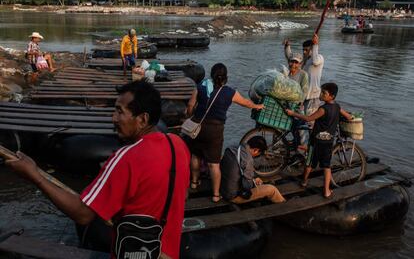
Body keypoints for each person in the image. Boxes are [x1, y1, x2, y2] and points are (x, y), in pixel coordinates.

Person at [6, 80, 190, 259]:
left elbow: (83, 214)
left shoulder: (126, 158)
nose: (113, 118)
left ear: (142, 119)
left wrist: (34, 175)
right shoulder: (178, 145)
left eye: (120, 111)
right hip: (167, 252)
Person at [186, 63, 264, 203]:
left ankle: (194, 182)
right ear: (225, 77)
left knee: (196, 155)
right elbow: (246, 102)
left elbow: (190, 106)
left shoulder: (201, 87)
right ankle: (216, 195)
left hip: (197, 128)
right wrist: (257, 106)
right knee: (214, 164)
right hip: (215, 130)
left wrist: (190, 116)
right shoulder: (229, 92)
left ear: (212, 74)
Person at [286, 83, 353, 198]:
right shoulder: (337, 107)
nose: (321, 94)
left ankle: (304, 182)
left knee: (310, 162)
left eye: (324, 93)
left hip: (316, 141)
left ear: (331, 96)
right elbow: (348, 116)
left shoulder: (323, 109)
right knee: (326, 166)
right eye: (321, 91)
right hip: (328, 143)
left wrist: (293, 113)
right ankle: (326, 191)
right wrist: (350, 117)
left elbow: (308, 118)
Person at [221, 136, 285, 204]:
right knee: (272, 190)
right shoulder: (248, 160)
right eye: (258, 154)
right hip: (233, 196)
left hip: (222, 189)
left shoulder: (231, 148)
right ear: (256, 150)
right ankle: (284, 204)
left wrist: (253, 177)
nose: (256, 156)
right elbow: (247, 186)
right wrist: (254, 183)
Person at [284, 33, 324, 118]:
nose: (305, 52)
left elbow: (315, 61)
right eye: (303, 50)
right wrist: (287, 46)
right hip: (302, 96)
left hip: (313, 96)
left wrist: (315, 45)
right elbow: (291, 58)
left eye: (307, 50)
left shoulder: (319, 58)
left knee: (310, 122)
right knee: (299, 120)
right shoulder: (304, 59)